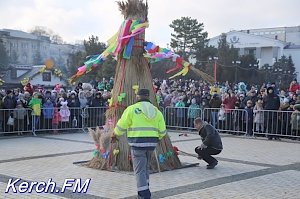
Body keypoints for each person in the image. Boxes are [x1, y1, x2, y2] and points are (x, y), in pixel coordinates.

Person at [113, 89, 166, 199]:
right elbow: (162, 131)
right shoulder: (156, 111)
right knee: (145, 168)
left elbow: (122, 125)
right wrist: (158, 138)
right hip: (151, 144)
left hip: (137, 143)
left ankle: (144, 194)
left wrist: (115, 134)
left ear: (138, 97)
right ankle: (145, 187)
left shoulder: (131, 109)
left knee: (139, 170)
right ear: (148, 97)